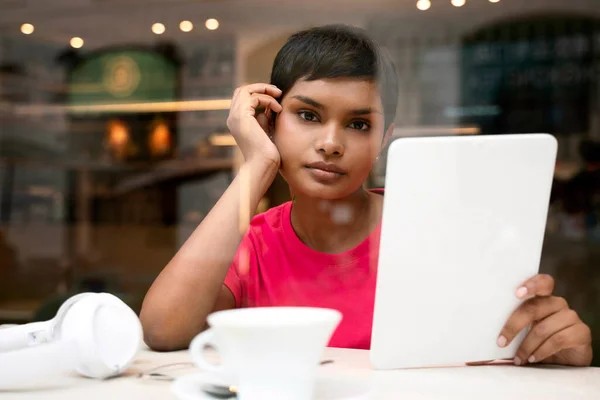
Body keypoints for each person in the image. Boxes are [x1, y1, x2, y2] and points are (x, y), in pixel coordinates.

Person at [140, 25, 593, 366]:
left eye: (359, 124)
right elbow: (163, 330)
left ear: (383, 139)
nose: (332, 143)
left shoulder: (437, 231)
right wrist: (258, 162)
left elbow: (490, 360)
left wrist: (553, 353)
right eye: (308, 115)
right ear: (271, 120)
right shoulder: (251, 241)